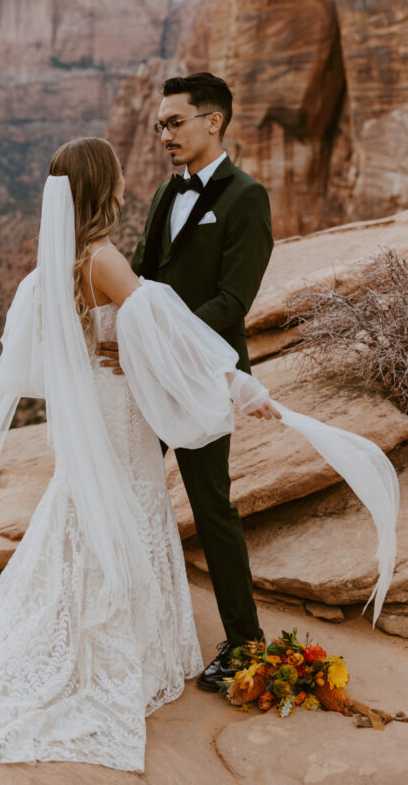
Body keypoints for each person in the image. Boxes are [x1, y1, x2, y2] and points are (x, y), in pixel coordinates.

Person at [0, 138, 398, 774]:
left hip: (88, 407)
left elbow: (38, 361)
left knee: (86, 510)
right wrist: (240, 386)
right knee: (129, 506)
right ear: (103, 189)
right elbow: (171, 337)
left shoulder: (50, 268)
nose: (124, 187)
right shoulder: (103, 259)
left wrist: (103, 352)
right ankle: (105, 643)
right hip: (116, 415)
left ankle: (76, 622)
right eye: (116, 178)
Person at [97, 71, 275, 691]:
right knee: (125, 490)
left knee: (212, 507)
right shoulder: (167, 194)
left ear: (213, 121)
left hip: (201, 375)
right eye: (159, 126)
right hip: (149, 373)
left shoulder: (246, 196)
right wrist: (127, 341)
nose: (163, 135)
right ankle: (124, 624)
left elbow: (234, 299)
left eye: (174, 122)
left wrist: (171, 346)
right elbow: (142, 278)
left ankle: (246, 644)